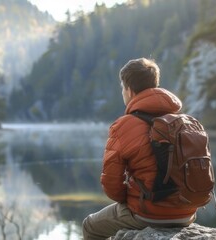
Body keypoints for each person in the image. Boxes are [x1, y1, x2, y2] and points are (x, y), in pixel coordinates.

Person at [82, 58, 196, 239]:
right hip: (187, 212)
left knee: (90, 226)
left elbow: (111, 184)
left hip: (149, 214)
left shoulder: (125, 125)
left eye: (122, 88)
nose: (122, 93)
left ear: (129, 90)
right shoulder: (184, 121)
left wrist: (130, 200)